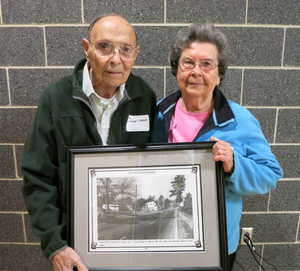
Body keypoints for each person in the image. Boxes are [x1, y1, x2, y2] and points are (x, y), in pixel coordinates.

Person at [21, 14, 156, 271]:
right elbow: (38, 176)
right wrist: (56, 245)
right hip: (75, 245)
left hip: (130, 240)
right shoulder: (56, 98)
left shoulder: (143, 95)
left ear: (135, 54)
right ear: (87, 48)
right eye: (104, 46)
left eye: (126, 50)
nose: (116, 59)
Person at [150, 23, 283, 270]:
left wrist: (234, 165)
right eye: (188, 62)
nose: (196, 72)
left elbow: (271, 174)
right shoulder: (156, 114)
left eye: (207, 64)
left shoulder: (240, 119)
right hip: (164, 240)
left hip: (216, 242)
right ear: (176, 70)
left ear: (219, 74)